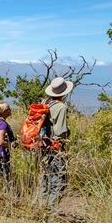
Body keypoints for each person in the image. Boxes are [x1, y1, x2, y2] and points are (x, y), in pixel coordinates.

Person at [41, 77, 73, 208]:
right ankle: (53, 212)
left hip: (43, 146)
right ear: (64, 92)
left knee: (46, 178)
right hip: (55, 148)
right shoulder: (61, 107)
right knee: (59, 180)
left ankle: (42, 207)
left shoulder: (45, 103)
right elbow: (60, 132)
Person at [0, 102, 15, 191]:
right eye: (9, 108)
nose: (10, 110)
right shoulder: (2, 124)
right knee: (5, 176)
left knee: (0, 175)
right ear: (4, 111)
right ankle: (7, 196)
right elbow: (1, 142)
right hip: (2, 154)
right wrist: (11, 144)